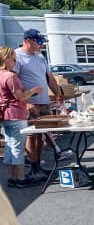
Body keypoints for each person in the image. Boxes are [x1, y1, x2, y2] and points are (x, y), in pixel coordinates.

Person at [14, 28, 66, 180]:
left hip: (43, 102)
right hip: (30, 104)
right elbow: (14, 81)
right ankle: (34, 167)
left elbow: (49, 77)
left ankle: (38, 167)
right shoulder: (18, 57)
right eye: (39, 42)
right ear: (28, 41)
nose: (41, 45)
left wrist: (57, 94)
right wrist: (26, 102)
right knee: (32, 136)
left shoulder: (40, 56)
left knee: (40, 137)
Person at [0, 47, 43, 188]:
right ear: (6, 59)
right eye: (13, 58)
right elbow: (21, 97)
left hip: (4, 114)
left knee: (10, 146)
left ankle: (13, 177)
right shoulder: (10, 76)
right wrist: (34, 91)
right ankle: (21, 178)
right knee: (17, 147)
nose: (15, 61)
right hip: (16, 114)